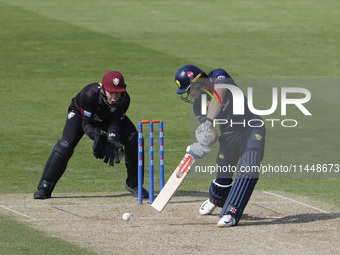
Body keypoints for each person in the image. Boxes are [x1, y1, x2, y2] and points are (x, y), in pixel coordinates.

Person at [174, 65, 265, 227]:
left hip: (251, 126)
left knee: (249, 166)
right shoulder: (197, 105)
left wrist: (208, 122)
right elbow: (213, 136)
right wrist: (202, 143)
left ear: (198, 82)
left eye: (189, 90)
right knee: (224, 170)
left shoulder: (219, 75)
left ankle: (231, 212)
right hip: (229, 134)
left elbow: (218, 98)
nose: (189, 94)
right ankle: (216, 198)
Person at [34, 71, 148, 199]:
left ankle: (134, 184)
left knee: (134, 138)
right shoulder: (90, 94)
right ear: (103, 89)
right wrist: (95, 136)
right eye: (111, 93)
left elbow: (115, 122)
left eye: (118, 93)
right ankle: (45, 187)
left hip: (107, 117)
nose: (114, 97)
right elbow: (86, 123)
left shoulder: (124, 99)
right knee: (65, 146)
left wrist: (111, 138)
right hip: (80, 115)